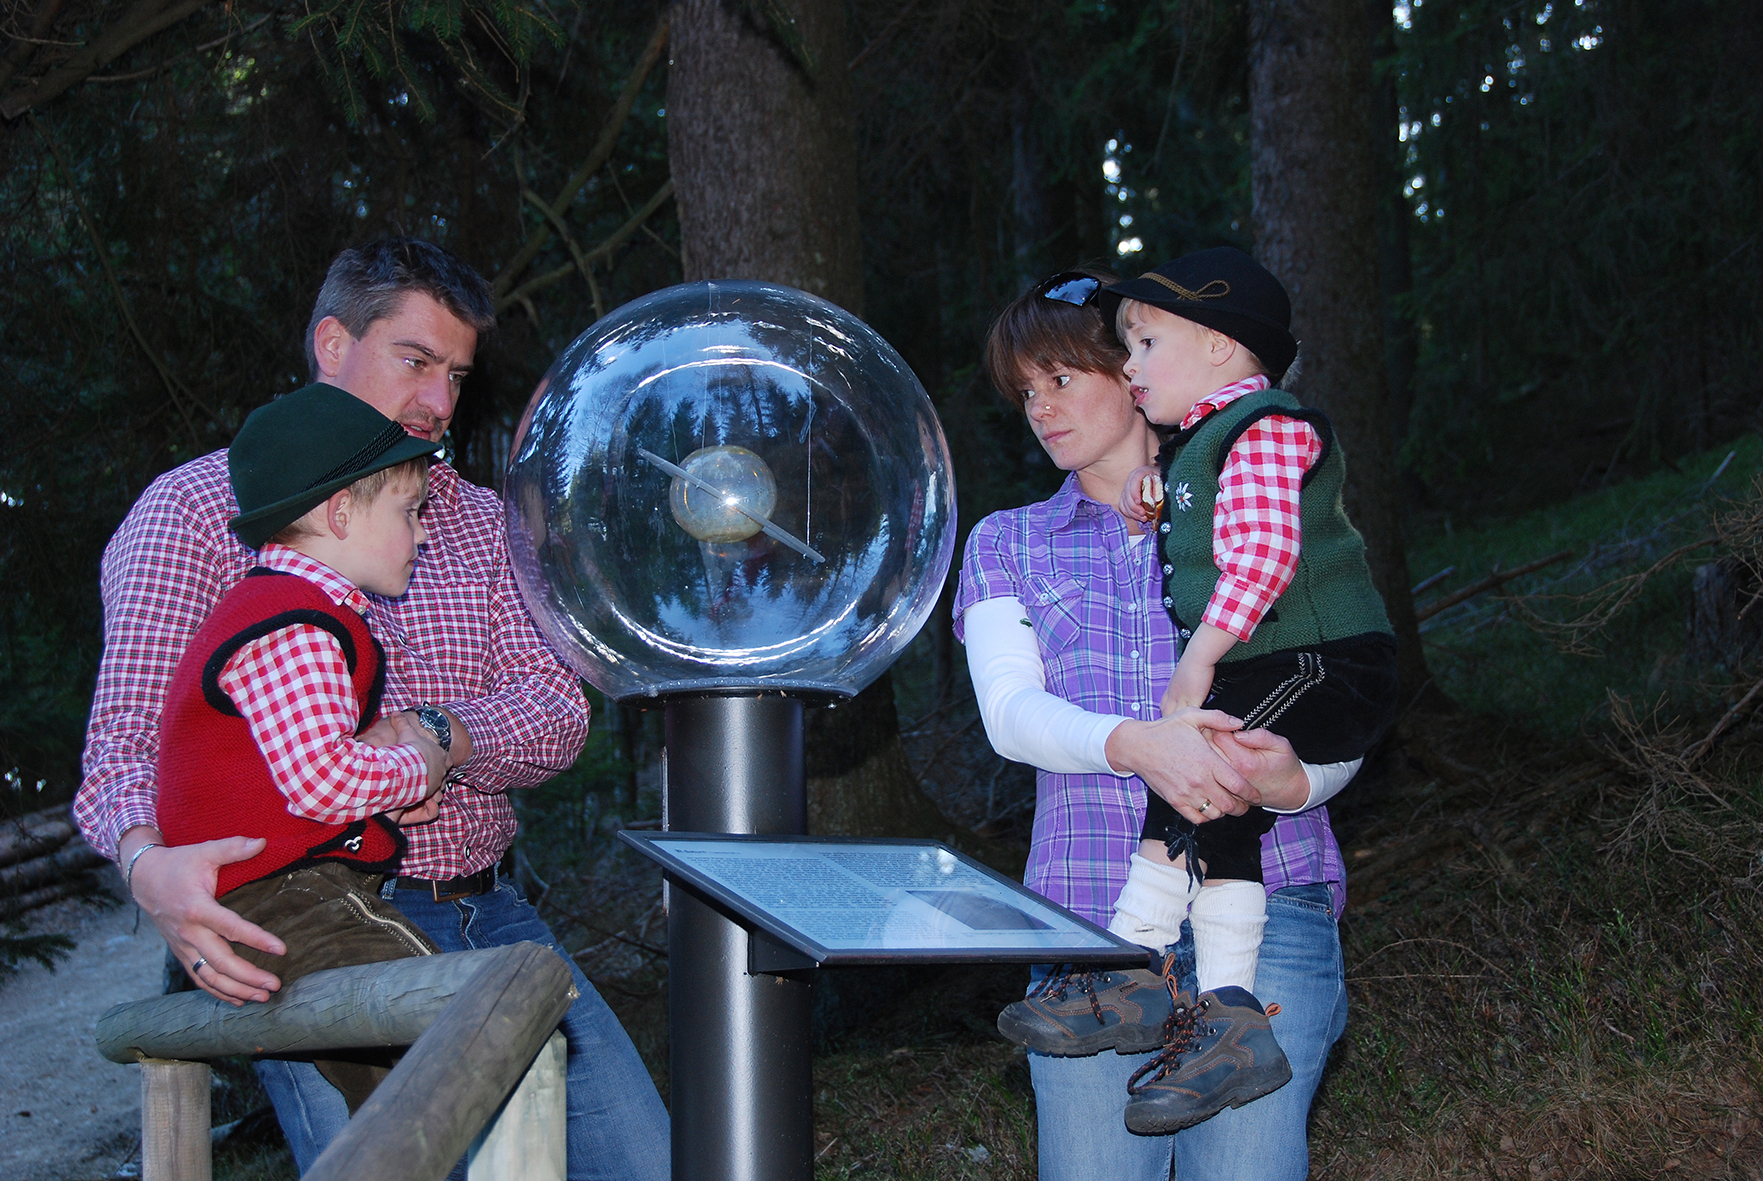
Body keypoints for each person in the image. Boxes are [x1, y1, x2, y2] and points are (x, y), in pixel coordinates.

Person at [76, 238, 669, 1179]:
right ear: (332, 343)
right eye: (416, 360)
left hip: (487, 911)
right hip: (310, 925)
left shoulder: (478, 519)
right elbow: (121, 750)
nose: (439, 401)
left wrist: (441, 738)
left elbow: (558, 709)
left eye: (457, 375)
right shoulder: (193, 511)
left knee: (642, 1158)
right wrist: (150, 868)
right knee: (405, 1160)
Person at [956, 267, 1355, 1179]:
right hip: (1089, 928)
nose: (1040, 408)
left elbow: (1335, 695)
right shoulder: (1006, 542)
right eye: (1024, 392)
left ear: (1130, 369)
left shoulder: (1256, 501)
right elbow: (1010, 716)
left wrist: (1295, 780)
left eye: (1061, 378)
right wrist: (1139, 745)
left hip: (1269, 909)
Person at [157, 385, 452, 1112]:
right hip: (286, 898)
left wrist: (378, 797)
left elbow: (284, 774)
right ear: (341, 512)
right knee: (457, 1026)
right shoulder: (297, 624)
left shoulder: (280, 608)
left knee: (393, 1091)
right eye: (409, 512)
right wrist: (421, 764)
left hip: (273, 897)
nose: (422, 535)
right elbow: (321, 780)